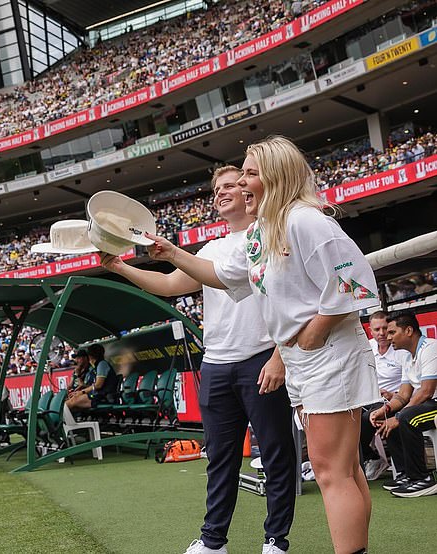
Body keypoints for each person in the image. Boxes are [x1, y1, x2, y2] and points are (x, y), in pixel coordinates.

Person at [145, 136, 380, 554]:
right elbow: (222, 275)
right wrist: (169, 251)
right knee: (344, 468)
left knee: (330, 472)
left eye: (251, 173)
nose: (242, 181)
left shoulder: (304, 220)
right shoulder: (263, 231)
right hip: (305, 359)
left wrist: (318, 327)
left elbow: (357, 280)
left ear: (275, 177)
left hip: (328, 355)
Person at [100, 165, 296, 554]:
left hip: (261, 360)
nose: (221, 193)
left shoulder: (271, 236)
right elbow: (172, 284)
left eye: (230, 186)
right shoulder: (210, 250)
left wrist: (279, 356)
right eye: (216, 189)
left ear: (249, 192)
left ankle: (275, 541)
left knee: (276, 455)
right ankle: (213, 542)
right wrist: (121, 267)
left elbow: (292, 302)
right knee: (220, 460)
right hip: (217, 364)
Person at [369, 312, 437, 497]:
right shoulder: (407, 356)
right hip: (427, 405)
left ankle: (423, 479)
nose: (388, 337)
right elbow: (404, 394)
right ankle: (406, 474)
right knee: (389, 418)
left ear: (408, 330)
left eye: (392, 332)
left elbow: (426, 391)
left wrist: (399, 416)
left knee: (406, 418)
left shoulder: (430, 347)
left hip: (434, 403)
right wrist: (386, 410)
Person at [360, 311, 408, 480]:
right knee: (347, 420)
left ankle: (402, 471)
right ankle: (369, 459)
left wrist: (392, 394)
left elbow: (410, 387)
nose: (381, 333)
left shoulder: (400, 348)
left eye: (385, 328)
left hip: (393, 400)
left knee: (367, 418)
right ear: (370, 330)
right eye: (377, 329)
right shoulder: (367, 346)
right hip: (367, 398)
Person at [66, 344, 118, 412]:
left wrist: (82, 392)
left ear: (90, 355)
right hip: (98, 395)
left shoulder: (102, 364)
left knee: (73, 401)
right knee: (73, 405)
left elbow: (98, 385)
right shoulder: (97, 365)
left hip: (104, 397)